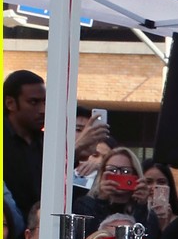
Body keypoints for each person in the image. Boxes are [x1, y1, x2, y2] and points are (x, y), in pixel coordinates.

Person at [4, 70, 109, 223]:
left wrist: (101, 164)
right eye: (33, 102)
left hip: (45, 231)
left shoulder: (49, 142)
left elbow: (61, 191)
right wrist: (74, 150)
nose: (42, 110)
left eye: (45, 102)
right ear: (10, 103)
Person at [72, 145, 162, 239]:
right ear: (102, 173)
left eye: (125, 171)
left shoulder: (146, 212)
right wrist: (101, 200)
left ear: (136, 175)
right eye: (112, 170)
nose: (118, 175)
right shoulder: (85, 204)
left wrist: (142, 207)